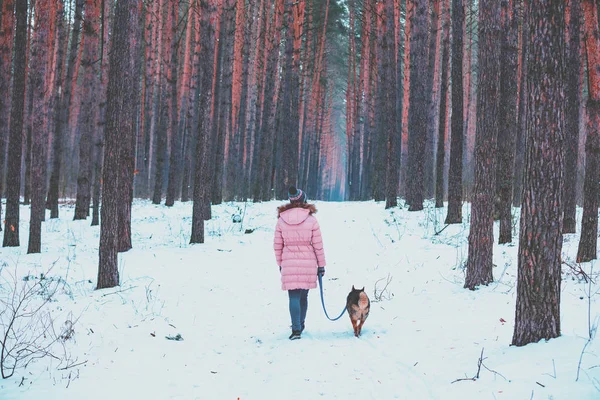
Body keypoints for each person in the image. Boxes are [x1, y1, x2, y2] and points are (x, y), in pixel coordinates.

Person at [273, 186, 326, 340]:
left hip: (289, 262)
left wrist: (280, 263)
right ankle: (301, 324)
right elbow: (318, 245)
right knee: (303, 297)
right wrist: (321, 265)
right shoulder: (311, 219)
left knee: (293, 297)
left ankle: (296, 329)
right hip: (308, 262)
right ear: (304, 200)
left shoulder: (281, 220)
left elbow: (277, 245)